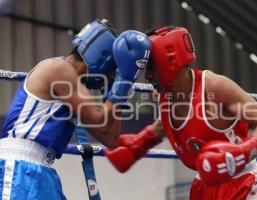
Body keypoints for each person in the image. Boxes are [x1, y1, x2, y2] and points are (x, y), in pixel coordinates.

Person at [106, 26, 257, 200]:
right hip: (202, 186)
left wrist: (241, 153)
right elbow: (169, 124)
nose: (148, 77)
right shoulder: (164, 95)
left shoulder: (213, 87)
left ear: (169, 61)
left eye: (151, 68)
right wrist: (139, 143)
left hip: (241, 184)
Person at [0, 19, 156, 200]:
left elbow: (111, 138)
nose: (112, 75)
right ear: (103, 58)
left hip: (43, 170)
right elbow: (98, 118)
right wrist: (125, 79)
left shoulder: (74, 88)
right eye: (113, 69)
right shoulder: (59, 69)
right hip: (19, 165)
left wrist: (115, 89)